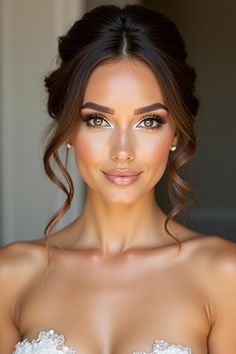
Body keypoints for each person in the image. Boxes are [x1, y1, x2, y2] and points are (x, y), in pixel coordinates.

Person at [0, 3, 235, 354]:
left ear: (174, 133)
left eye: (149, 121)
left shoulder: (224, 275)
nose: (122, 150)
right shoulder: (10, 276)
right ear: (67, 130)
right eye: (97, 120)